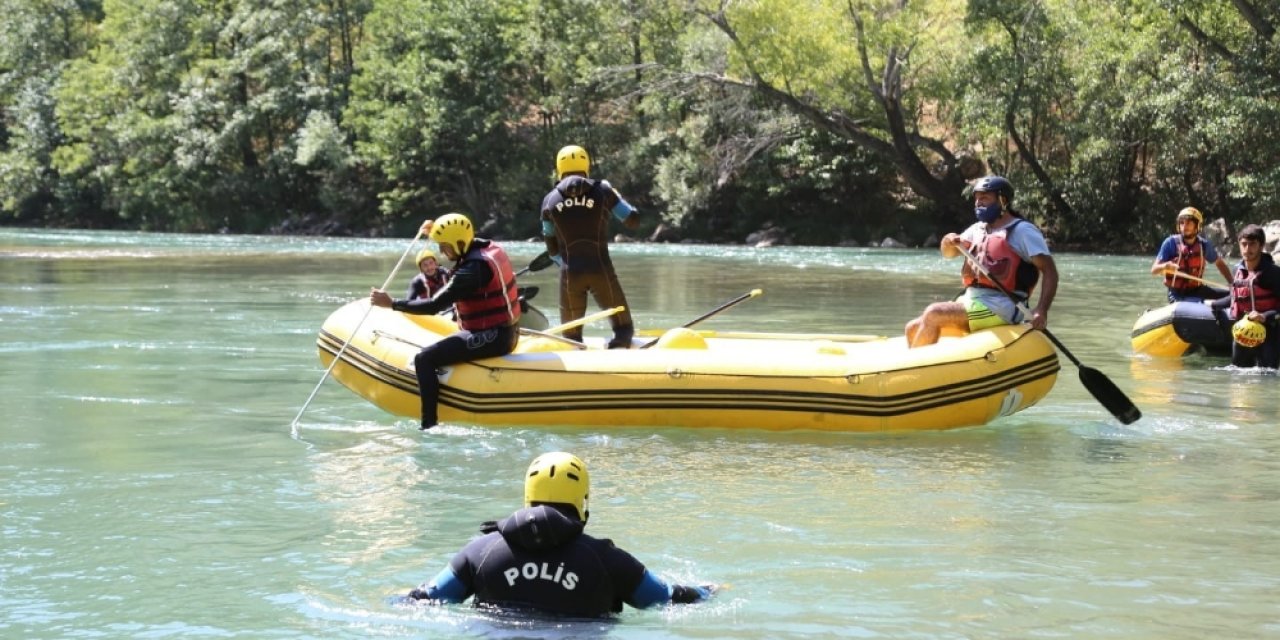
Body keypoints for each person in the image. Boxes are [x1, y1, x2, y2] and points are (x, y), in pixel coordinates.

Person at [406, 451, 716, 617]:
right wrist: (708, 591)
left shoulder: (480, 552)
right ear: (583, 502)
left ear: (527, 497)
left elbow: (424, 599)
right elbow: (665, 599)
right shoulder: (607, 560)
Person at [370, 213, 521, 430]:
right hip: (507, 331)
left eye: (445, 245)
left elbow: (434, 305)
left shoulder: (472, 270)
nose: (441, 252)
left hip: (495, 338)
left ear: (459, 243)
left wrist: (392, 303)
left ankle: (428, 425)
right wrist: (434, 231)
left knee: (424, 359)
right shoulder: (485, 248)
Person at [905, 175, 1059, 348]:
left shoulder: (1023, 231)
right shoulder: (978, 229)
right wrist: (947, 241)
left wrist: (1041, 310)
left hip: (1001, 306)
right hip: (971, 300)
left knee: (934, 313)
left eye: (985, 198)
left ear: (1003, 200)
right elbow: (948, 253)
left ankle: (919, 372)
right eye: (977, 198)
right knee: (911, 328)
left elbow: (1050, 271)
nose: (979, 203)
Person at [540, 145, 640, 349]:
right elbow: (633, 220)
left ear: (559, 168)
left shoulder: (549, 200)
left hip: (570, 275)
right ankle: (620, 352)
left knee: (570, 339)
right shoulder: (603, 191)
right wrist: (616, 195)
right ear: (586, 165)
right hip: (601, 270)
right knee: (624, 331)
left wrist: (565, 263)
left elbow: (551, 246)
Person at [1207, 224, 1280, 368]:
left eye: (1252, 244)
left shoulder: (1273, 273)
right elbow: (1236, 298)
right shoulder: (1237, 271)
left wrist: (1264, 316)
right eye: (1244, 244)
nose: (1247, 249)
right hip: (1243, 331)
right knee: (1238, 375)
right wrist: (1215, 304)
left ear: (1261, 246)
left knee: (1267, 377)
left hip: (1269, 331)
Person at [1149, 206, 1232, 302]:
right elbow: (1154, 270)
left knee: (1233, 294)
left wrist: (1232, 282)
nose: (1184, 226)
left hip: (1197, 289)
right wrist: (1165, 266)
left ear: (1197, 226)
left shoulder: (1204, 245)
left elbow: (1219, 263)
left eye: (1188, 223)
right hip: (1176, 294)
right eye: (1182, 223)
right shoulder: (1170, 243)